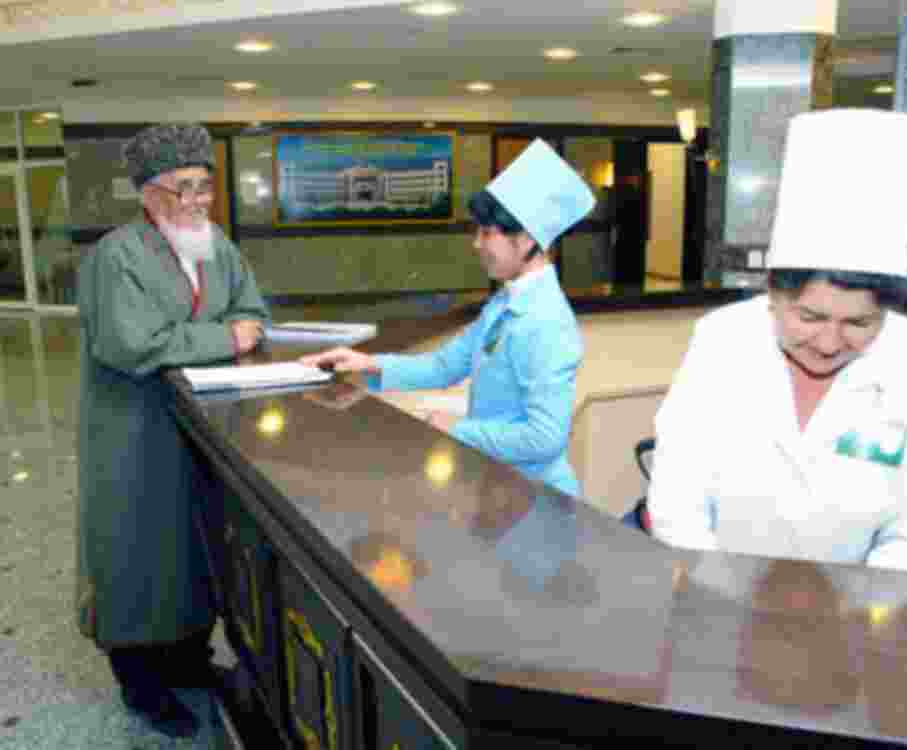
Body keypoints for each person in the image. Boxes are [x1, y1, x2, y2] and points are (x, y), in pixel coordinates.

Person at [645, 108, 907, 573]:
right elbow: (677, 494)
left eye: (859, 323)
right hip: (716, 593)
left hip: (857, 614)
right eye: (810, 316)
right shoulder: (722, 339)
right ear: (773, 294)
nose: (828, 343)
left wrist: (855, 613)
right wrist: (717, 592)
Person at [76, 123, 270, 738]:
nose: (195, 203)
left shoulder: (218, 246)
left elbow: (252, 311)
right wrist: (223, 337)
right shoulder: (117, 256)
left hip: (204, 428)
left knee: (194, 549)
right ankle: (142, 684)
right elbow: (131, 343)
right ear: (147, 193)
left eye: (203, 189)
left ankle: (189, 657)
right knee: (138, 553)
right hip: (135, 431)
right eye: (181, 190)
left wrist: (240, 328)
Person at [302, 138, 593, 496]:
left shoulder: (547, 322)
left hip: (538, 499)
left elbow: (545, 438)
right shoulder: (505, 304)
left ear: (526, 239)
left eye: (486, 232)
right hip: (503, 489)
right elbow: (445, 365)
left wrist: (456, 428)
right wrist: (364, 363)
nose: (476, 244)